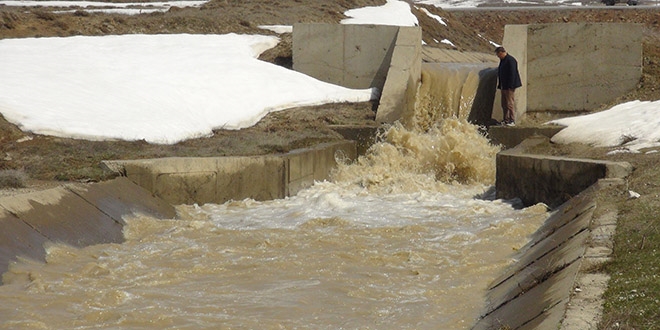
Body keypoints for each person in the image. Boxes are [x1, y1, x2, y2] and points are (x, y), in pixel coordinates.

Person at [495, 46, 522, 126]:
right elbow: (501, 73)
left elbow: (512, 74)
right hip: (504, 86)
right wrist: (500, 85)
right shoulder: (502, 60)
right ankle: (505, 120)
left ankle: (512, 120)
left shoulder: (511, 60)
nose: (498, 56)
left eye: (498, 55)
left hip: (509, 86)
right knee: (504, 104)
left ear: (502, 53)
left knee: (510, 104)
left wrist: (510, 86)